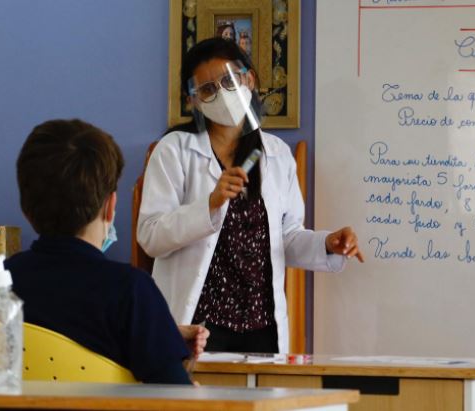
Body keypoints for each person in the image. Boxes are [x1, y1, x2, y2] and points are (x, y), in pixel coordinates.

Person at [137, 38, 364, 354]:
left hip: (262, 328)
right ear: (194, 101)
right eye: (207, 89)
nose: (222, 94)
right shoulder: (175, 150)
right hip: (198, 328)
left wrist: (327, 243)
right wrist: (209, 204)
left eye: (229, 80)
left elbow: (285, 239)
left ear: (250, 79)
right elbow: (150, 237)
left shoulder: (276, 154)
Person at [0, 119, 207, 384]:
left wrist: (163, 333)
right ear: (110, 207)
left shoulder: (3, 284)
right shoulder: (131, 291)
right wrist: (163, 342)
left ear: (25, 208)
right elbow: (176, 399)